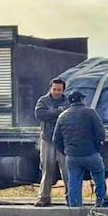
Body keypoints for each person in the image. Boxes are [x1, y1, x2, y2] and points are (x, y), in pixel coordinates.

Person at [52, 90, 108, 208]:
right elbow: (100, 132)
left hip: (72, 156)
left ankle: (75, 206)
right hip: (90, 153)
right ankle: (101, 200)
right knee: (98, 173)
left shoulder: (62, 116)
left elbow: (56, 139)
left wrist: (66, 151)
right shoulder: (90, 113)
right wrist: (97, 148)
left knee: (74, 180)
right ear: (81, 99)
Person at [34, 78, 69, 207]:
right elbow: (39, 114)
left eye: (59, 89)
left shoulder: (67, 101)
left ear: (63, 90)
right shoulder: (43, 100)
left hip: (63, 141)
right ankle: (44, 197)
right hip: (47, 139)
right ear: (50, 88)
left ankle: (71, 197)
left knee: (66, 170)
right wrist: (58, 112)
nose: (56, 92)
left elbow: (68, 114)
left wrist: (52, 113)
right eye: (54, 89)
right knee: (47, 169)